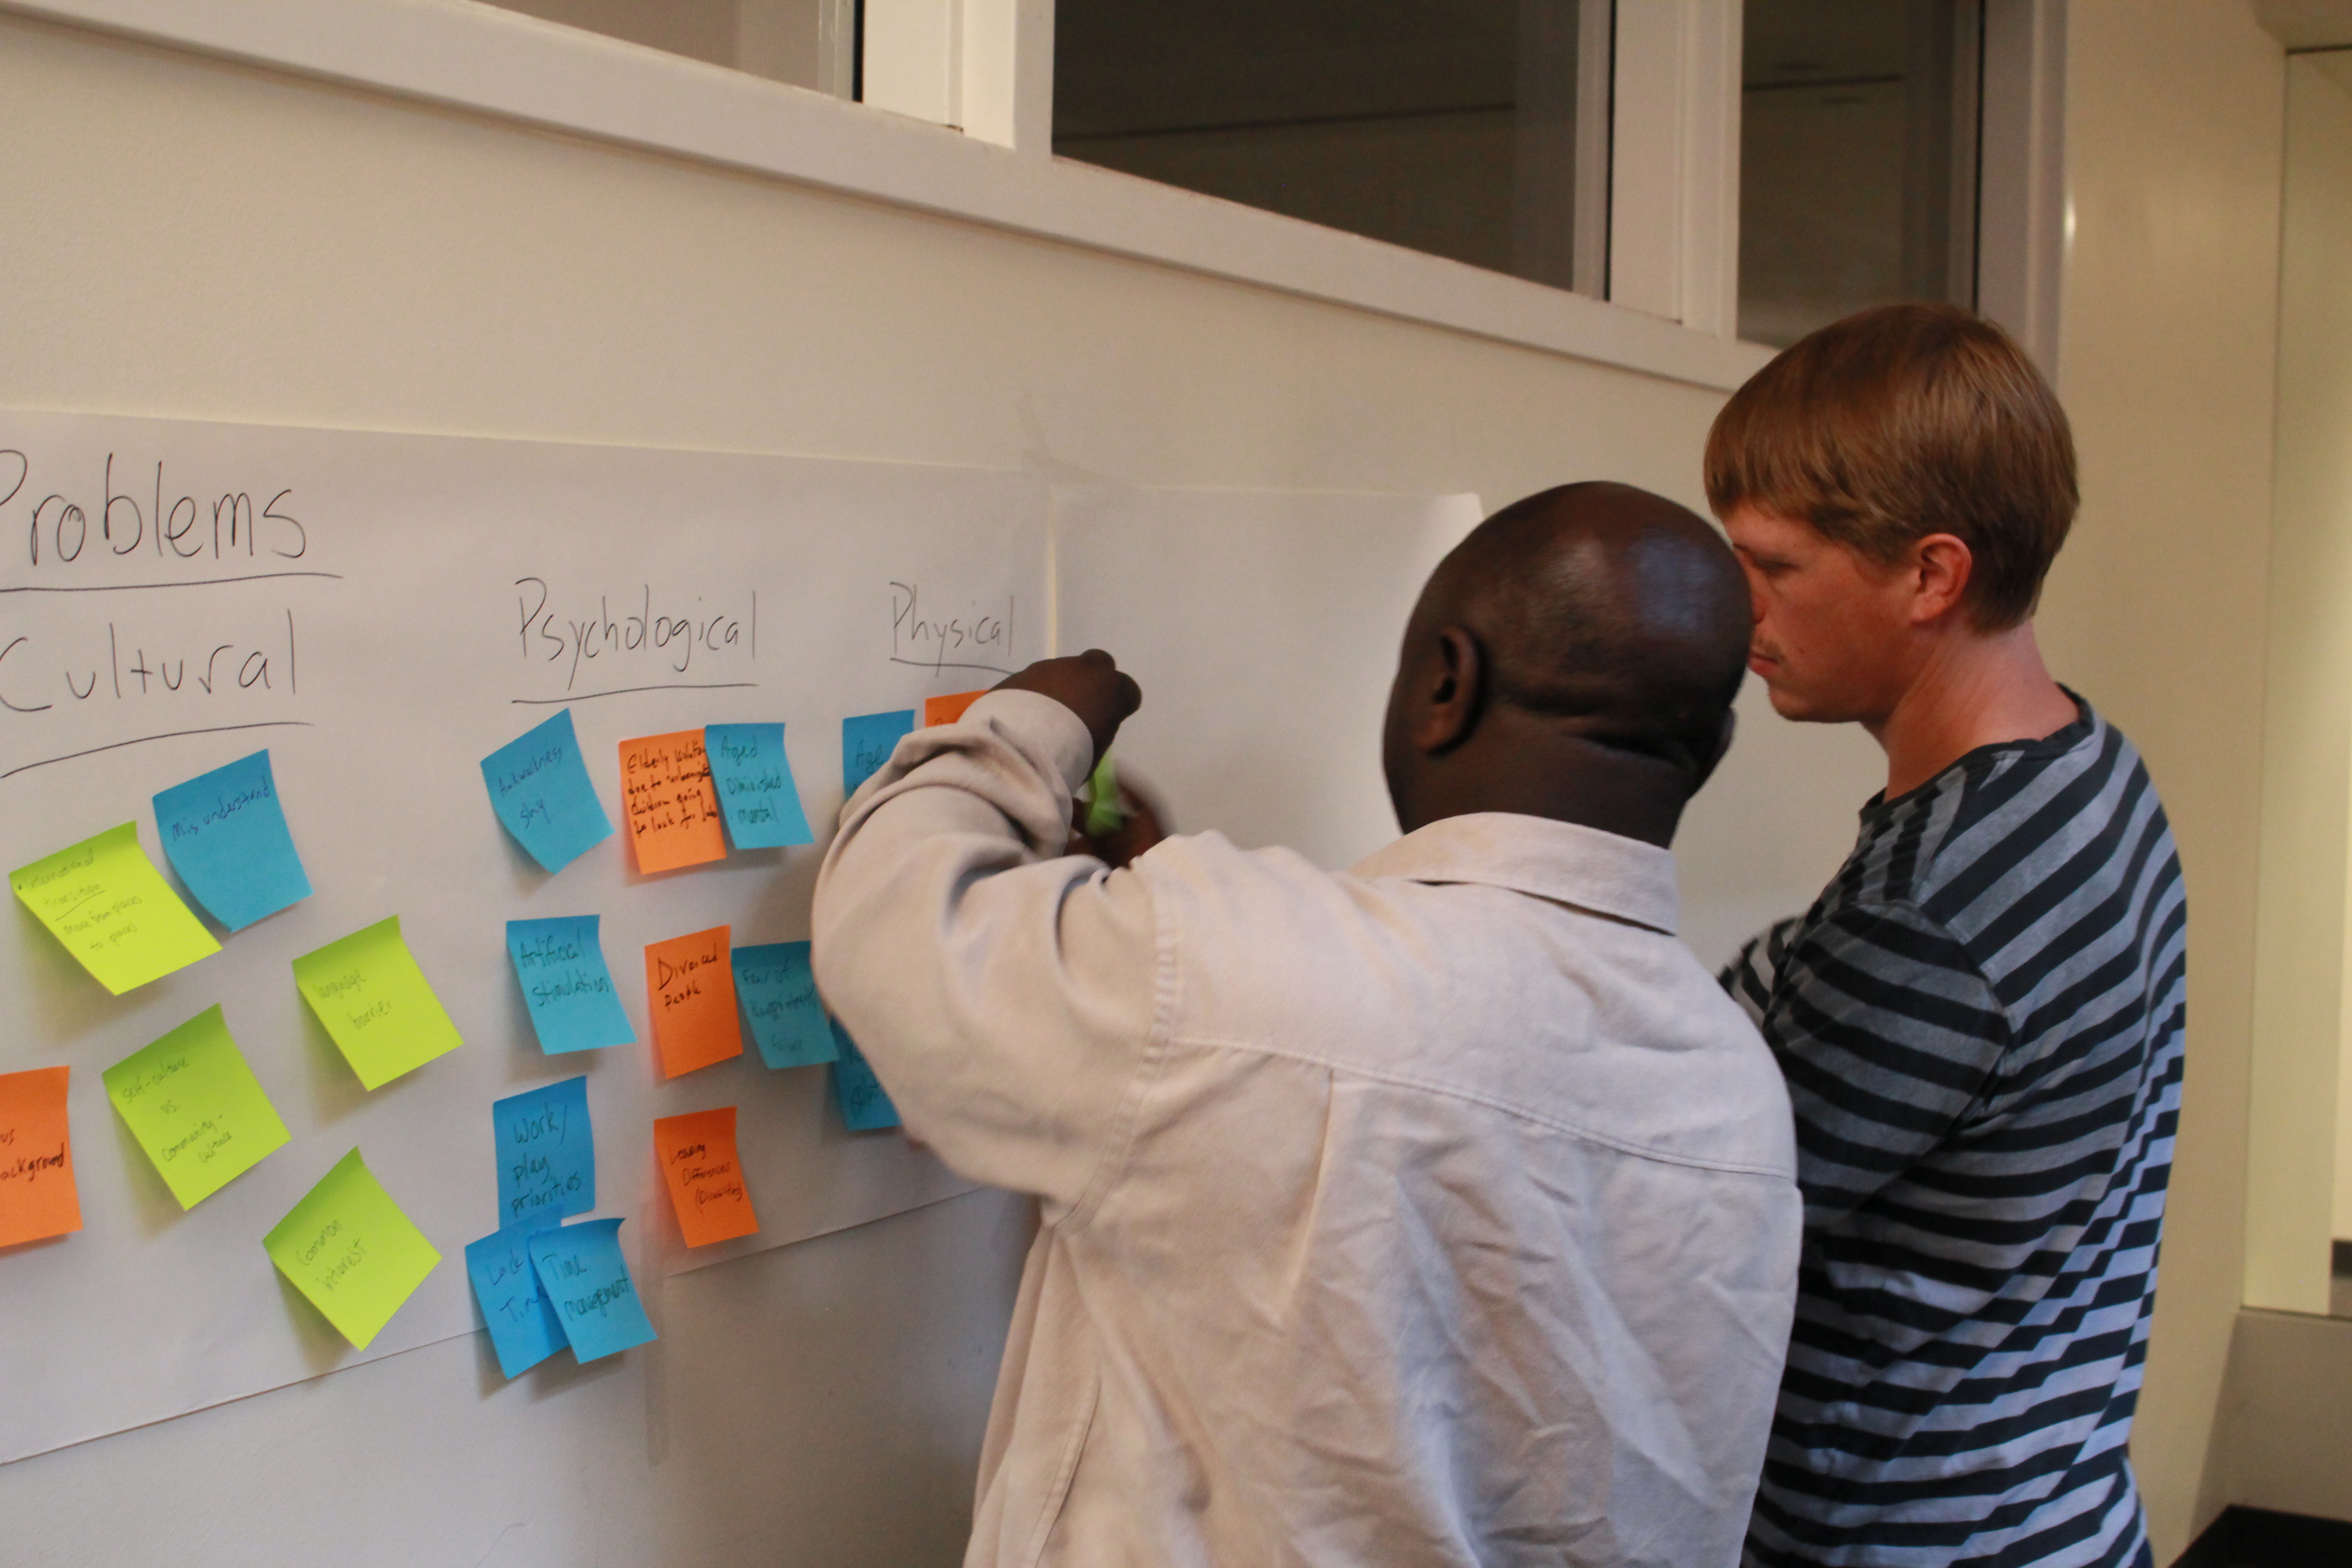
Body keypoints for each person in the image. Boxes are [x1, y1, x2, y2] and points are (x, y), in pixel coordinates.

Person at [812, 483, 1802, 1567]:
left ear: (1444, 684)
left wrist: (1028, 728)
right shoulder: (1739, 1093)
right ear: (1710, 752)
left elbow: (898, 931)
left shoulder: (1235, 972)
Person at [1706, 304, 2185, 1568]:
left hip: (1920, 1540)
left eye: (1776, 566)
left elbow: (1685, 1213)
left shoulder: (1940, 907)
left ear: (1932, 574)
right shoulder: (2087, 767)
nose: (1733, 605)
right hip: (2051, 1513)